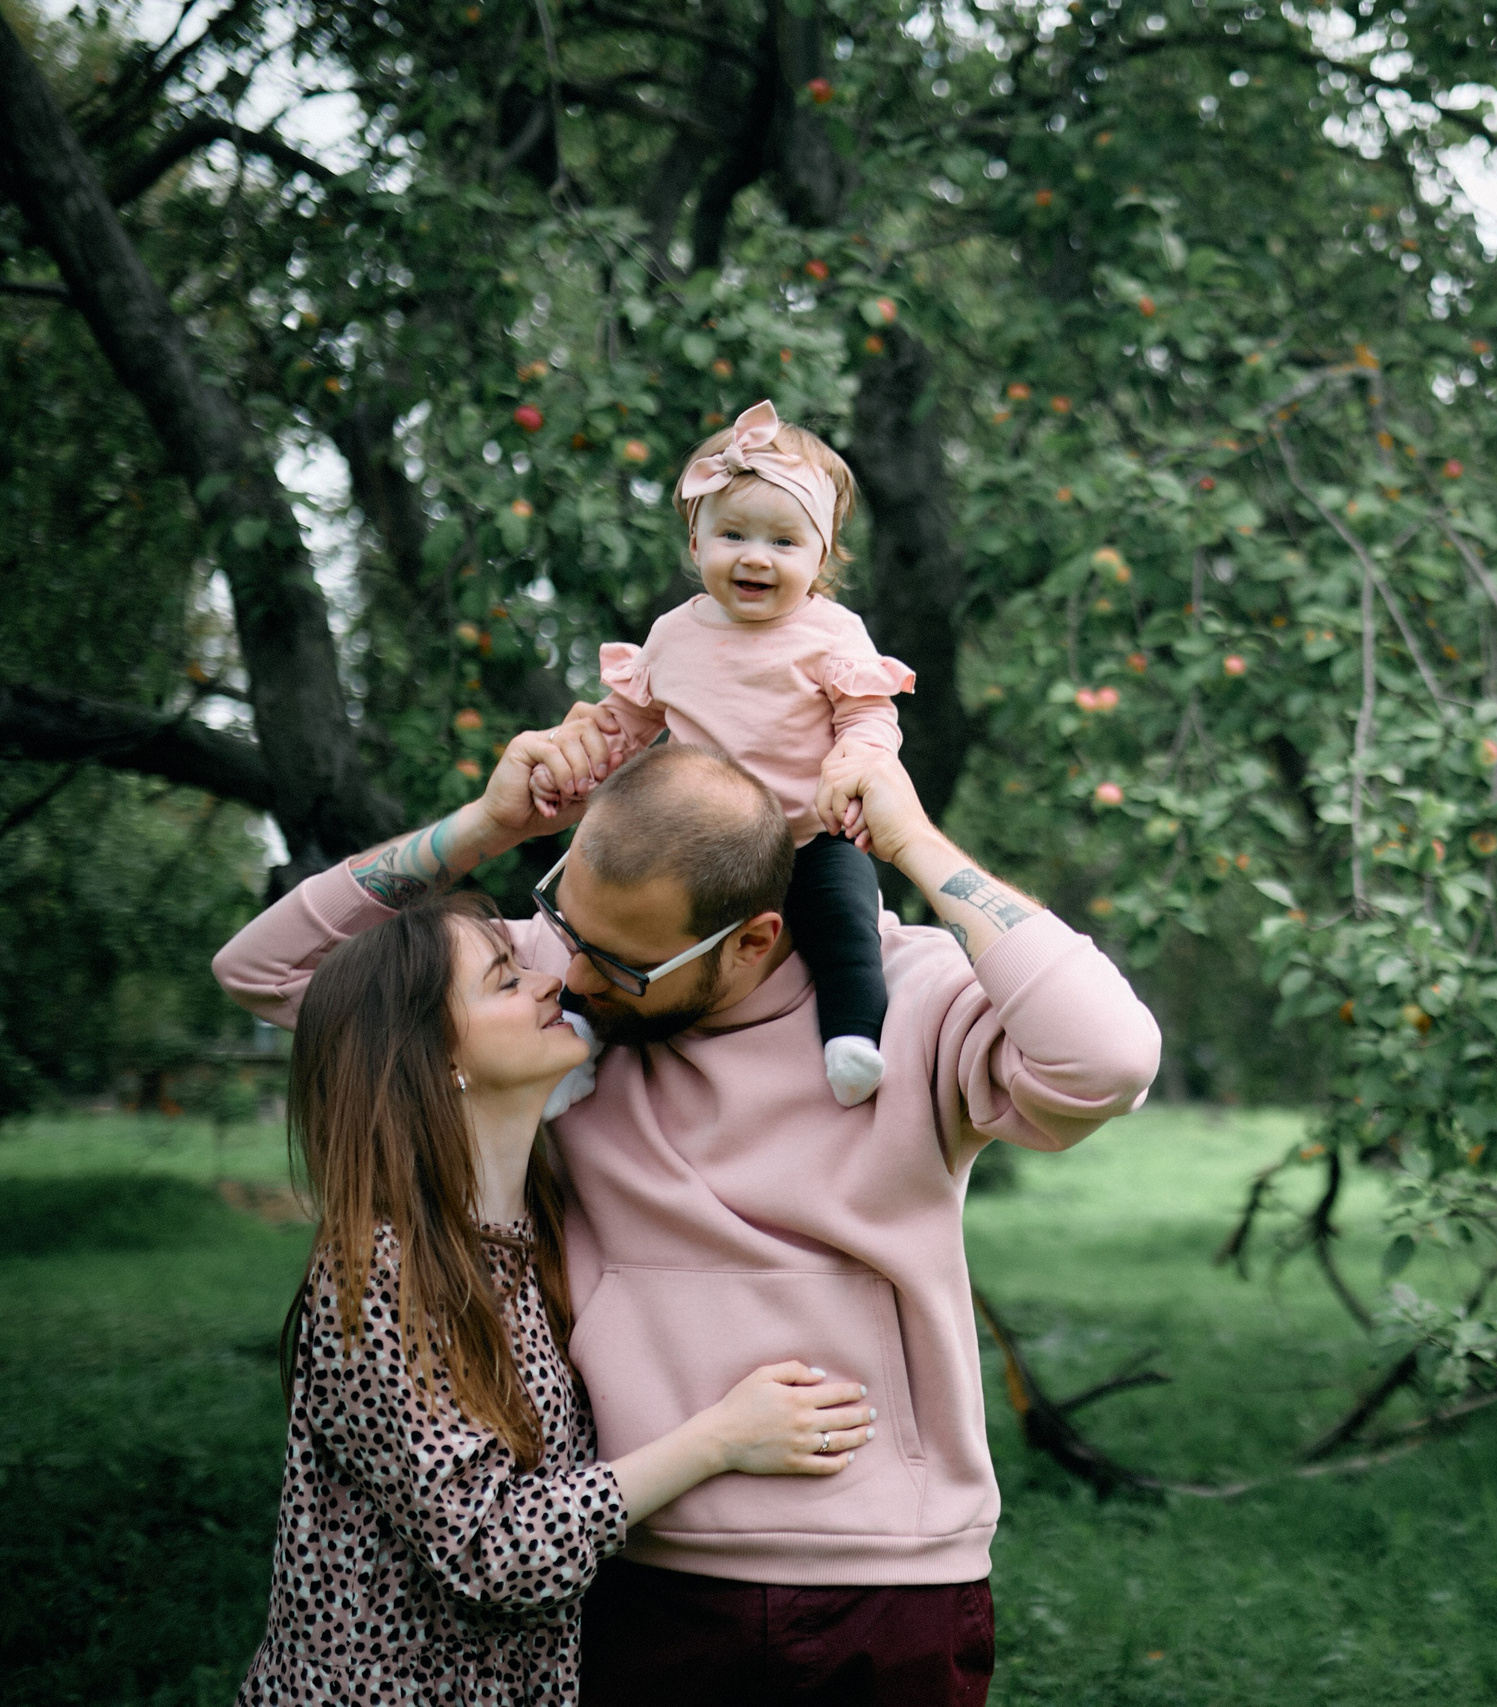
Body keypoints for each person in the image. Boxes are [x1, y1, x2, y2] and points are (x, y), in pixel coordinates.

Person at [214, 719, 1161, 1707]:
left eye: (615, 965)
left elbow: (1108, 1059)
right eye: (561, 931)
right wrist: (485, 827)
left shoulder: (912, 998)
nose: (571, 978)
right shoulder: (558, 984)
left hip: (885, 1578)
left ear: (752, 937)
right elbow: (265, 974)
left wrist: (917, 845)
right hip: (630, 1567)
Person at [234, 888, 878, 1705]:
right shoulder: (381, 1274)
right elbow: (491, 1549)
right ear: (436, 1057)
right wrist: (721, 1438)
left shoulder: (534, 1228)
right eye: (505, 981)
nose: (549, 985)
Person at [535, 398, 915, 1107]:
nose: (754, 556)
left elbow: (869, 714)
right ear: (695, 543)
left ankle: (851, 1035)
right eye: (732, 533)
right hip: (697, 838)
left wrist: (855, 763)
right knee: (615, 932)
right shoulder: (673, 635)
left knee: (846, 922)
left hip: (808, 834)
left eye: (783, 542)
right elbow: (628, 720)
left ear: (820, 555)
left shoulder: (832, 635)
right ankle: (577, 1039)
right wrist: (581, 754)